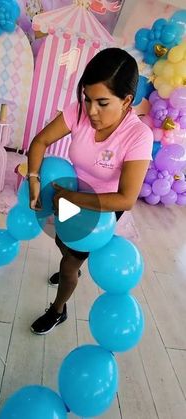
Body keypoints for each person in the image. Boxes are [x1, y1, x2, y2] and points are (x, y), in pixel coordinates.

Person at [26, 48, 153, 335]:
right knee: (61, 238)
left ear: (127, 101)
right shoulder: (80, 111)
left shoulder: (138, 136)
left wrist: (69, 198)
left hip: (102, 207)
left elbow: (126, 199)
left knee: (69, 262)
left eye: (103, 102)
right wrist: (34, 178)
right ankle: (73, 261)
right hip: (70, 191)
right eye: (87, 98)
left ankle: (58, 310)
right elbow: (40, 141)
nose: (91, 111)